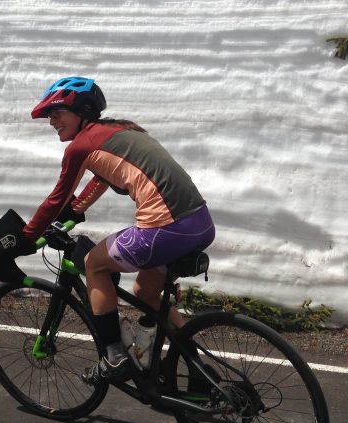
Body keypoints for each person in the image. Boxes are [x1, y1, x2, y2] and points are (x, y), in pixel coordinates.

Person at [19, 76, 216, 382]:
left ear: (81, 111)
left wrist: (26, 238)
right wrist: (76, 211)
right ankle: (200, 371)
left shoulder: (81, 146)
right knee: (145, 292)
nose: (52, 121)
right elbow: (101, 180)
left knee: (94, 264)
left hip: (163, 230)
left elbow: (57, 199)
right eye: (49, 116)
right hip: (200, 224)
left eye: (57, 112)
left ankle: (114, 357)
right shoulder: (121, 131)